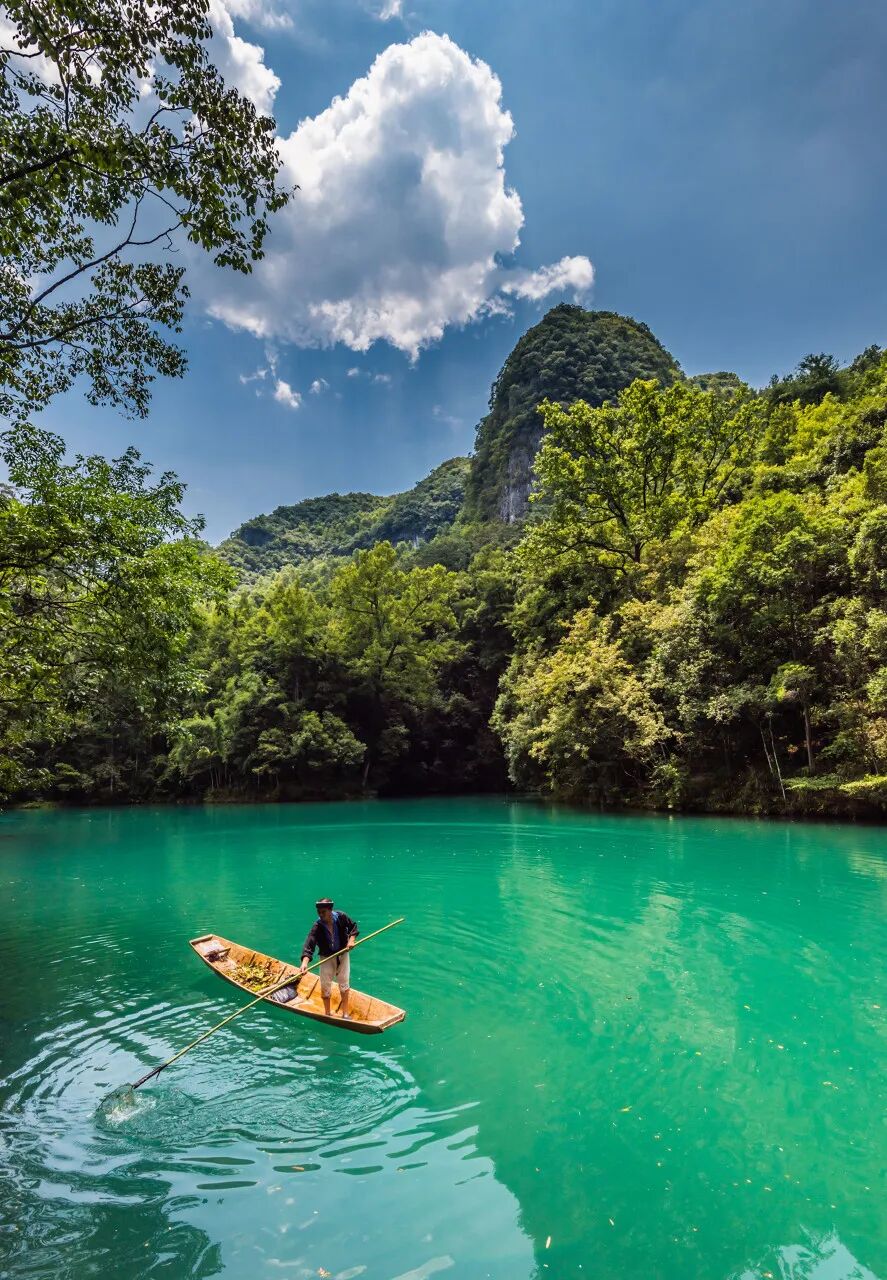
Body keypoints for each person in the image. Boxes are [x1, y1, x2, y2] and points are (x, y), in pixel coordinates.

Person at [301, 898, 359, 1018]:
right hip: (326, 957)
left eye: (323, 912)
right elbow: (309, 944)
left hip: (343, 954)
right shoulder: (317, 926)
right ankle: (327, 1013)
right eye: (319, 912)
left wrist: (351, 940)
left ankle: (345, 1013)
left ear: (330, 910)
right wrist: (304, 963)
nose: (321, 915)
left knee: (344, 982)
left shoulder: (341, 917)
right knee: (325, 985)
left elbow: (353, 927)